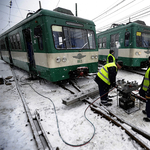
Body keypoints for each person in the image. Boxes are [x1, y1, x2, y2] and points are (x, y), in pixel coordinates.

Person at [139, 56, 150, 122]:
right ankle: (147, 111)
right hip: (147, 88)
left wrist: (149, 91)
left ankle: (149, 117)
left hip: (149, 89)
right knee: (147, 101)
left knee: (149, 102)